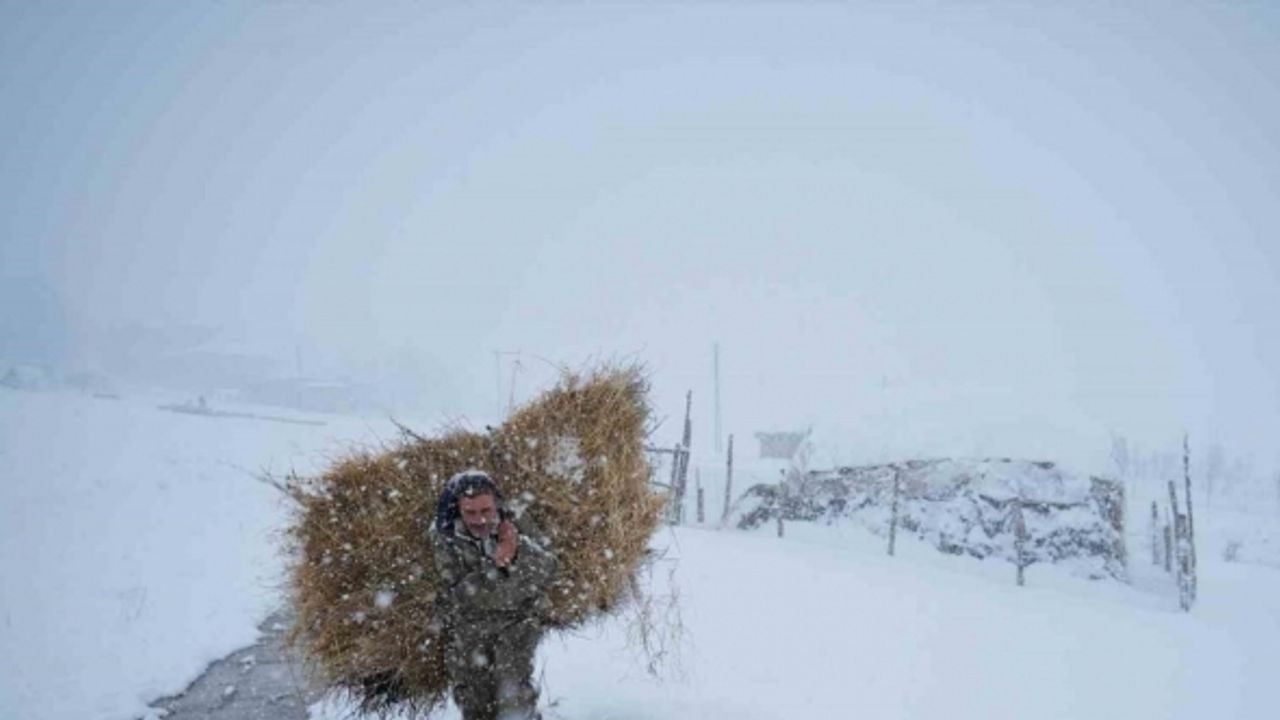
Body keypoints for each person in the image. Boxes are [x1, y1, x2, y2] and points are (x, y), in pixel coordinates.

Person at [433, 469, 558, 720]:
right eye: (470, 512)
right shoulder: (444, 536)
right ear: (458, 509)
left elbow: (548, 568)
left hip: (518, 618)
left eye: (485, 511)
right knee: (475, 697)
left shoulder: (518, 522)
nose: (479, 520)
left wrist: (518, 550)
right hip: (469, 623)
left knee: (512, 689)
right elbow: (463, 594)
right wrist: (500, 560)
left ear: (496, 504)